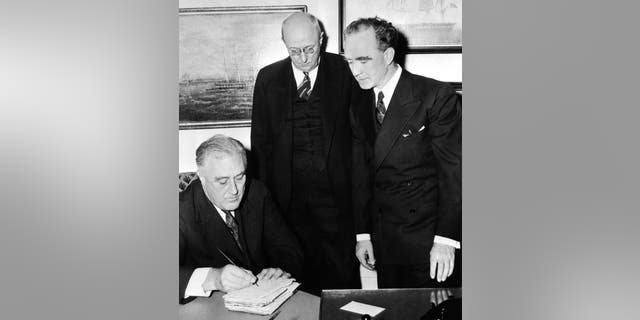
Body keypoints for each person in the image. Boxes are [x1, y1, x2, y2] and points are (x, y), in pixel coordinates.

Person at [344, 17, 462, 288]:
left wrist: (445, 240)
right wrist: (363, 234)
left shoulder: (435, 95)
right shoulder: (359, 102)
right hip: (385, 239)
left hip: (428, 240)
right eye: (349, 62)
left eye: (363, 60)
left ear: (388, 55)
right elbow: (361, 172)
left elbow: (455, 174)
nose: (355, 71)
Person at [250, 12, 361, 295]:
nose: (303, 57)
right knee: (296, 280)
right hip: (288, 203)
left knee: (342, 281)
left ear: (321, 40)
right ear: (284, 45)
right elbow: (260, 145)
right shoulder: (268, 78)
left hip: (337, 201)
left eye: (309, 49)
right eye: (294, 51)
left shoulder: (345, 71)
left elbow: (362, 137)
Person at [179, 134, 303, 304]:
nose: (234, 190)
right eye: (222, 181)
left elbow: (289, 249)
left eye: (239, 177)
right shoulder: (180, 211)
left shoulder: (258, 193)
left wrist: (280, 270)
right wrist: (212, 278)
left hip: (261, 303)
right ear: (201, 178)